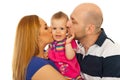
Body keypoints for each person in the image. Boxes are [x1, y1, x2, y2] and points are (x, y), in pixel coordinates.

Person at [67, 2, 120, 80]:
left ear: (89, 29)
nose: (67, 24)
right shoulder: (74, 47)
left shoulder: (111, 53)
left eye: (73, 21)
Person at [12, 15, 67, 80]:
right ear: (36, 36)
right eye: (46, 28)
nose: (51, 29)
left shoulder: (46, 55)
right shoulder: (35, 65)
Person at [48, 11, 83, 80]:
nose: (58, 31)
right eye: (54, 28)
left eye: (61, 28)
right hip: (57, 75)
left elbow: (70, 57)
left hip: (72, 75)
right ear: (51, 29)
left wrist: (67, 44)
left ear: (67, 30)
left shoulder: (69, 41)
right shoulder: (51, 43)